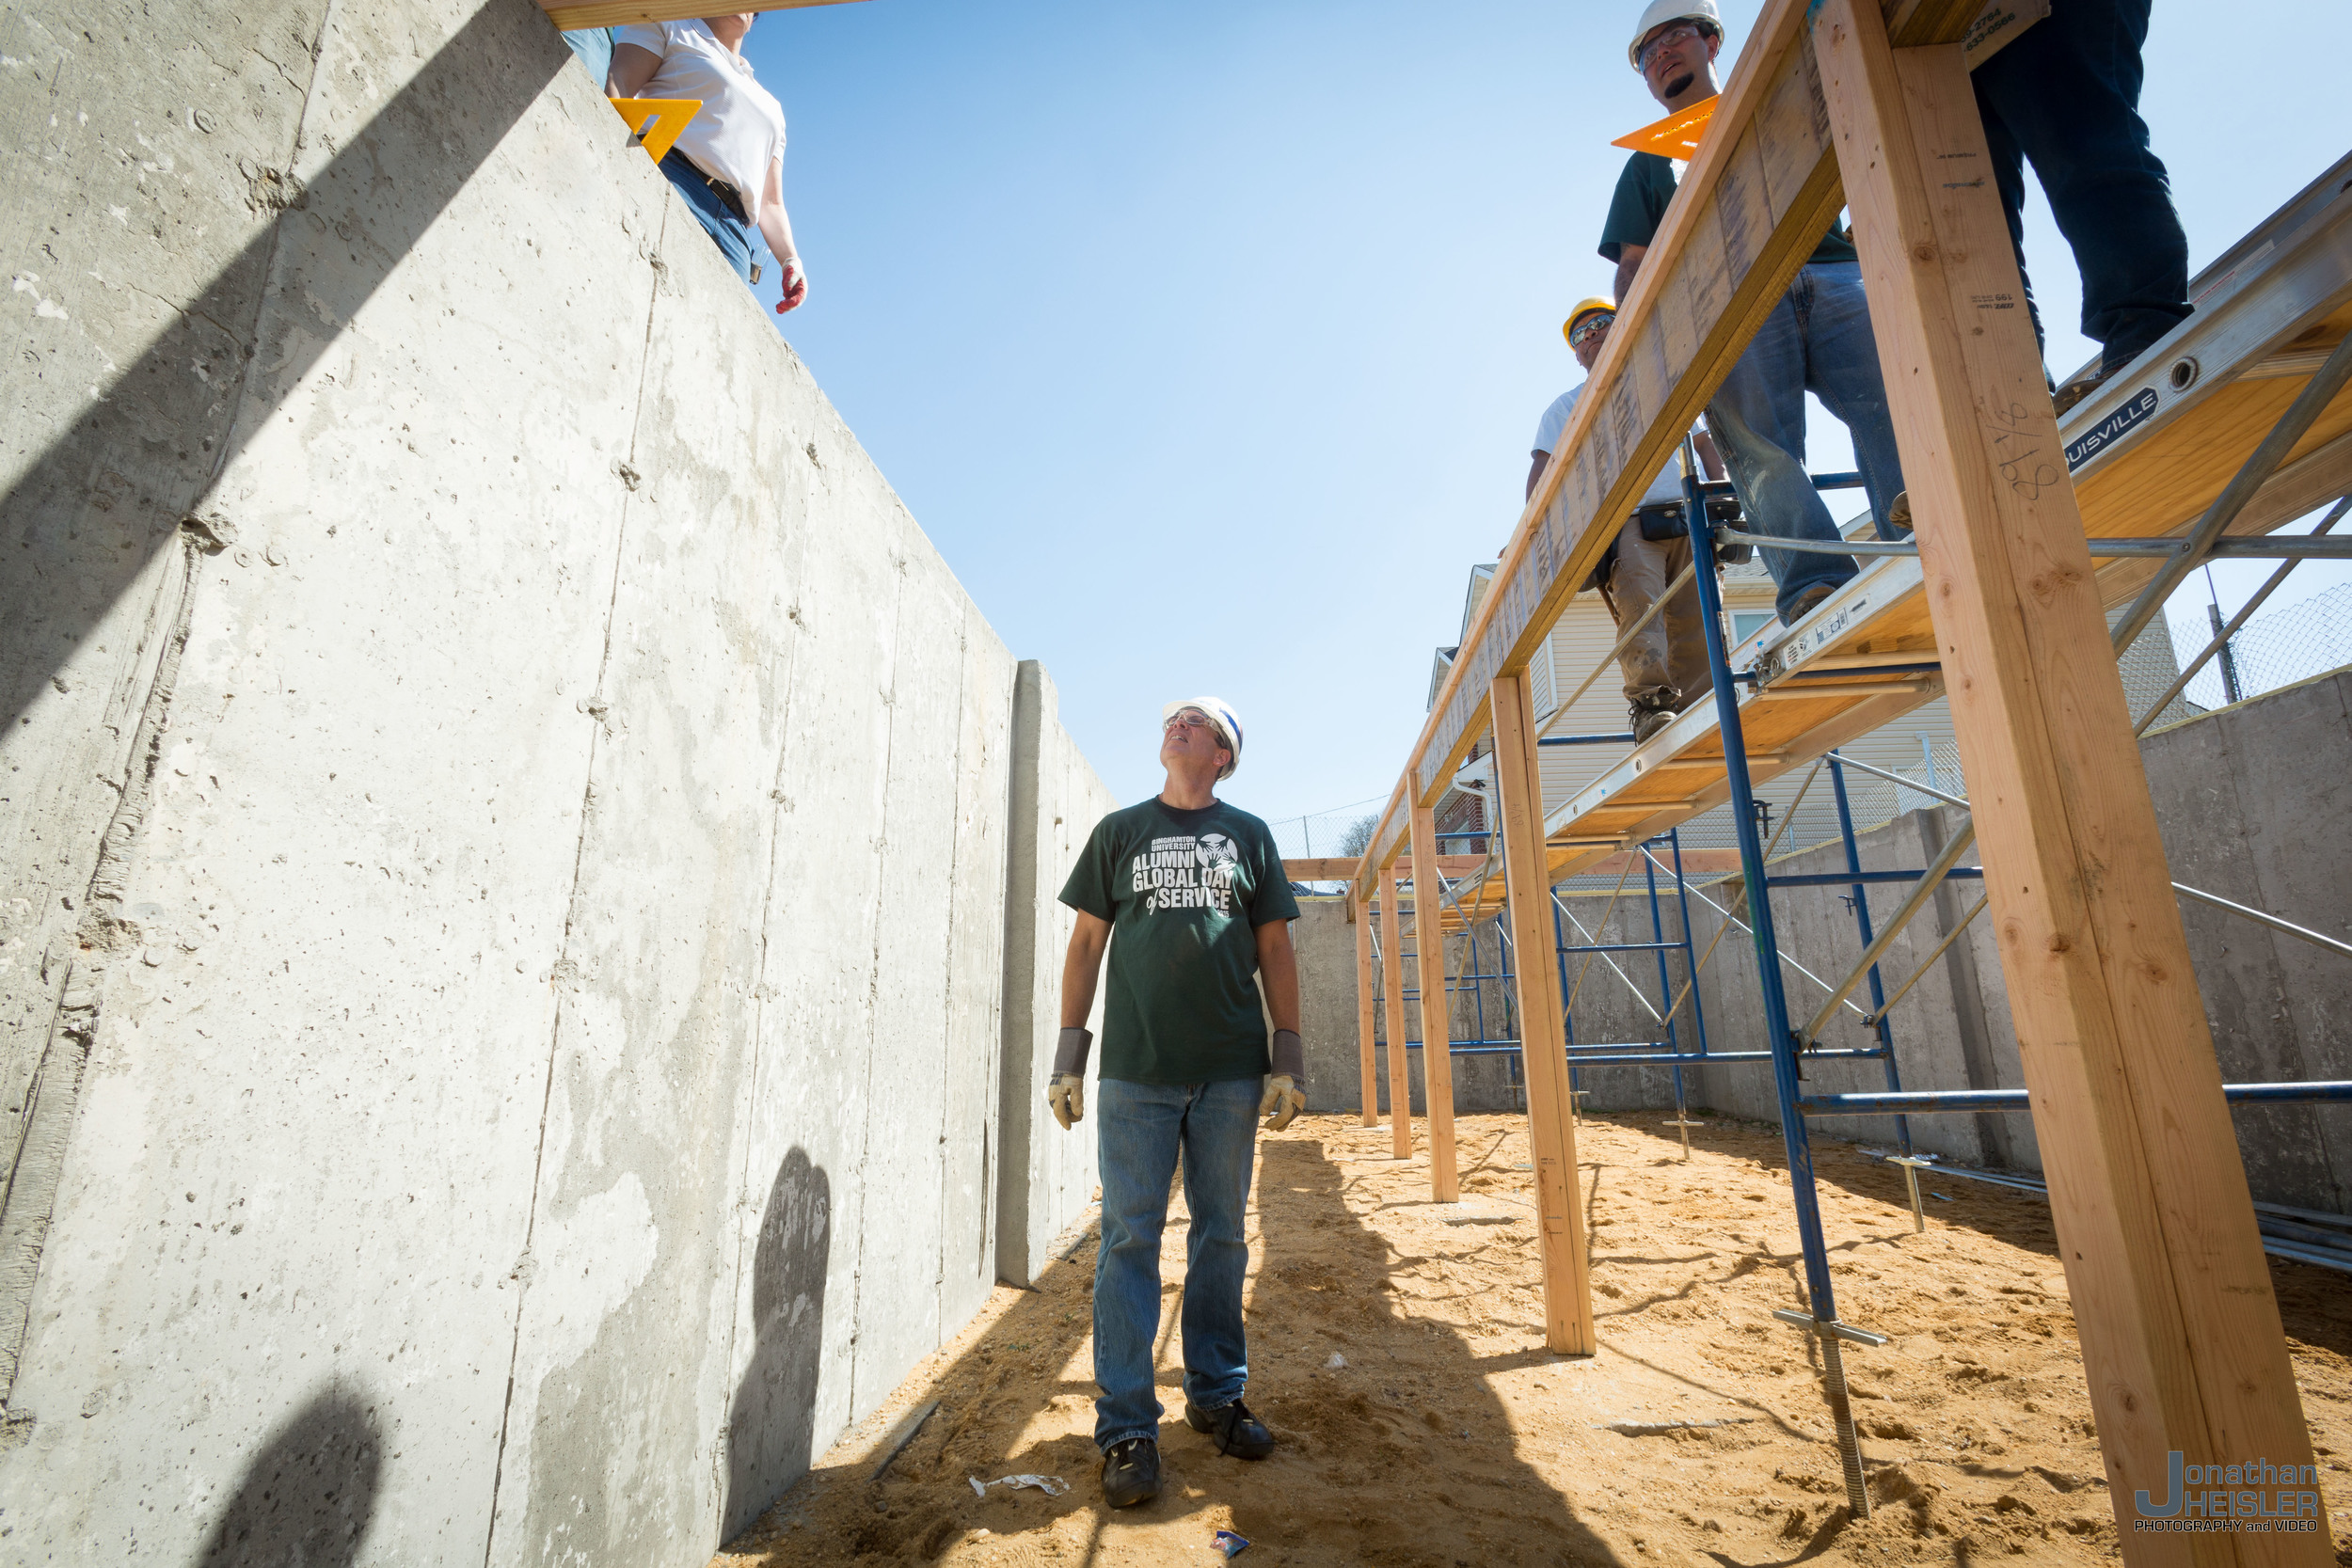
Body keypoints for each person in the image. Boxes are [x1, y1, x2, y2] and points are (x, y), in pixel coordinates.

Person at [1049, 697, 1306, 1509]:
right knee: (1128, 1239)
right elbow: (1087, 942)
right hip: (1135, 1073)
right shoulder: (1119, 832)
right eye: (1174, 716)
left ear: (1224, 753)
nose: (1179, 723)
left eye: (1199, 720)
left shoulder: (1250, 836)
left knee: (1222, 1234)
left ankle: (1216, 1393)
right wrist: (1068, 1054)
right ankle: (1127, 1427)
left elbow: (1274, 947)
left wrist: (1287, 1059)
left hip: (1230, 1072)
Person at [1603, 0, 1898, 625]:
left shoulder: (1776, 102)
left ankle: (1920, 523)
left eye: (1673, 37)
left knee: (1895, 393)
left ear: (1711, 42)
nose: (1660, 56)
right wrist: (1633, 361)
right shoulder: (1649, 163)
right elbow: (1632, 266)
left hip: (1831, 267)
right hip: (1730, 297)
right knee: (1758, 445)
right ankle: (1813, 579)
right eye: (1647, 54)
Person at [1971, 0, 2192, 410]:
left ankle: (2144, 331)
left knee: (2080, 140)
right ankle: (2018, 388)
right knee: (1969, 208)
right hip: (1946, 28)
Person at [1531, 299, 1729, 739]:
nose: (1592, 335)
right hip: (1629, 519)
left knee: (1697, 610)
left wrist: (1723, 492)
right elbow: (1542, 474)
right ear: (1577, 354)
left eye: (1601, 324)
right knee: (1641, 605)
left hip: (1686, 508)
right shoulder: (1566, 408)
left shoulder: (1660, 381)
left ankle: (1703, 703)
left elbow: (1704, 444)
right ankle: (1651, 702)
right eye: (1580, 335)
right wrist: (1530, 536)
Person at [609, 14, 809, 312]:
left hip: (735, 231)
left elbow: (771, 202)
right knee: (635, 300)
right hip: (674, 178)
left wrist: (791, 260)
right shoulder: (669, 25)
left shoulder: (773, 110)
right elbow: (619, 83)